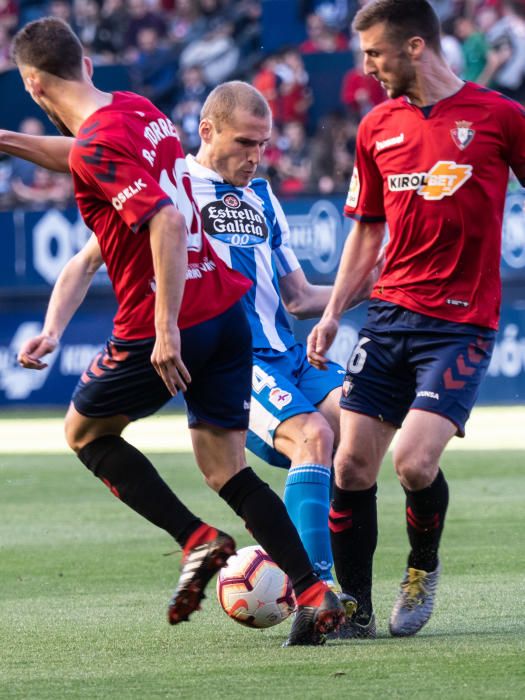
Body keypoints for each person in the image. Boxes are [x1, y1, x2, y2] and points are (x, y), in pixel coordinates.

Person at [9, 17, 344, 646]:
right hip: (226, 314)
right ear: (85, 63)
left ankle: (197, 539)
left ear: (32, 83)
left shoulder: (99, 144)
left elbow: (162, 220)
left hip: (166, 322)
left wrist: (164, 330)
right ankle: (314, 588)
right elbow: (79, 154)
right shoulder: (137, 111)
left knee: (83, 433)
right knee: (227, 471)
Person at [307, 0, 525, 639]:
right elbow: (365, 233)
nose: (365, 66)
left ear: (414, 48)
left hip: (461, 324)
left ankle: (421, 568)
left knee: (414, 463)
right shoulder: (376, 127)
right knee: (350, 468)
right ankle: (355, 608)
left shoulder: (500, 117)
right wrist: (332, 312)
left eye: (373, 52)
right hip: (389, 316)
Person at [187, 80, 378, 588]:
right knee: (314, 435)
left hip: (291, 357)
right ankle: (315, 591)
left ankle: (356, 599)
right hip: (235, 363)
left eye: (263, 145)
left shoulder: (264, 196)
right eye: (244, 143)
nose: (255, 157)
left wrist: (377, 281)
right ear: (207, 130)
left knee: (361, 437)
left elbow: (298, 297)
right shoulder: (174, 187)